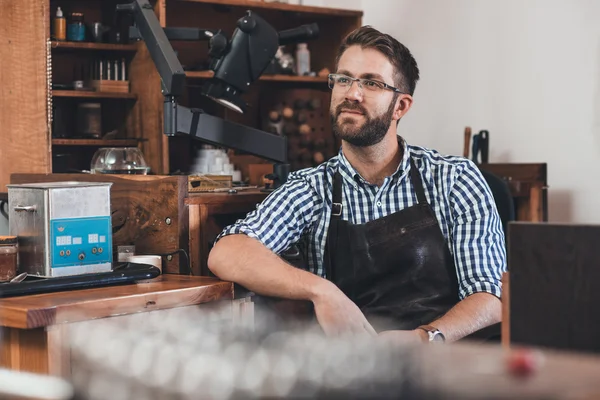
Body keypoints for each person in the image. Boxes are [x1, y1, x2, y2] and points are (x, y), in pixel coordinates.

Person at [208, 26, 506, 343]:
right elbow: (227, 252)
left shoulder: (454, 179)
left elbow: (490, 297)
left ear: (401, 106)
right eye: (344, 79)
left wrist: (426, 338)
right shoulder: (311, 188)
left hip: (446, 364)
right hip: (355, 369)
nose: (352, 93)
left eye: (371, 83)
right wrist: (322, 290)